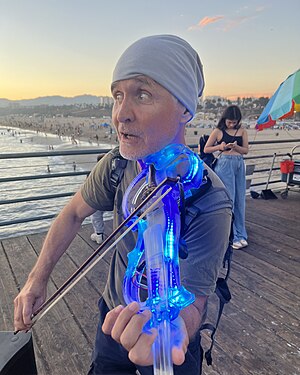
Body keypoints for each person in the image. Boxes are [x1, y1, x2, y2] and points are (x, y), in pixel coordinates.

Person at [14, 35, 232, 375]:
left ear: (185, 110)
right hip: (113, 321)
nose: (120, 115)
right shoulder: (117, 166)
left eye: (142, 95)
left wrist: (174, 331)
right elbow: (72, 214)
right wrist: (36, 278)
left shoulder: (210, 199)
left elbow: (196, 302)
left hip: (165, 342)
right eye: (117, 95)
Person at [204, 105, 249, 250]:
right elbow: (206, 148)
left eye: (234, 122)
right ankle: (232, 235)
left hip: (238, 164)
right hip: (224, 164)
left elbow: (246, 150)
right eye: (229, 122)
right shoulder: (218, 131)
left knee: (240, 199)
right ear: (225, 119)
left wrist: (236, 147)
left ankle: (241, 234)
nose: (232, 124)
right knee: (229, 199)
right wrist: (220, 147)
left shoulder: (242, 131)